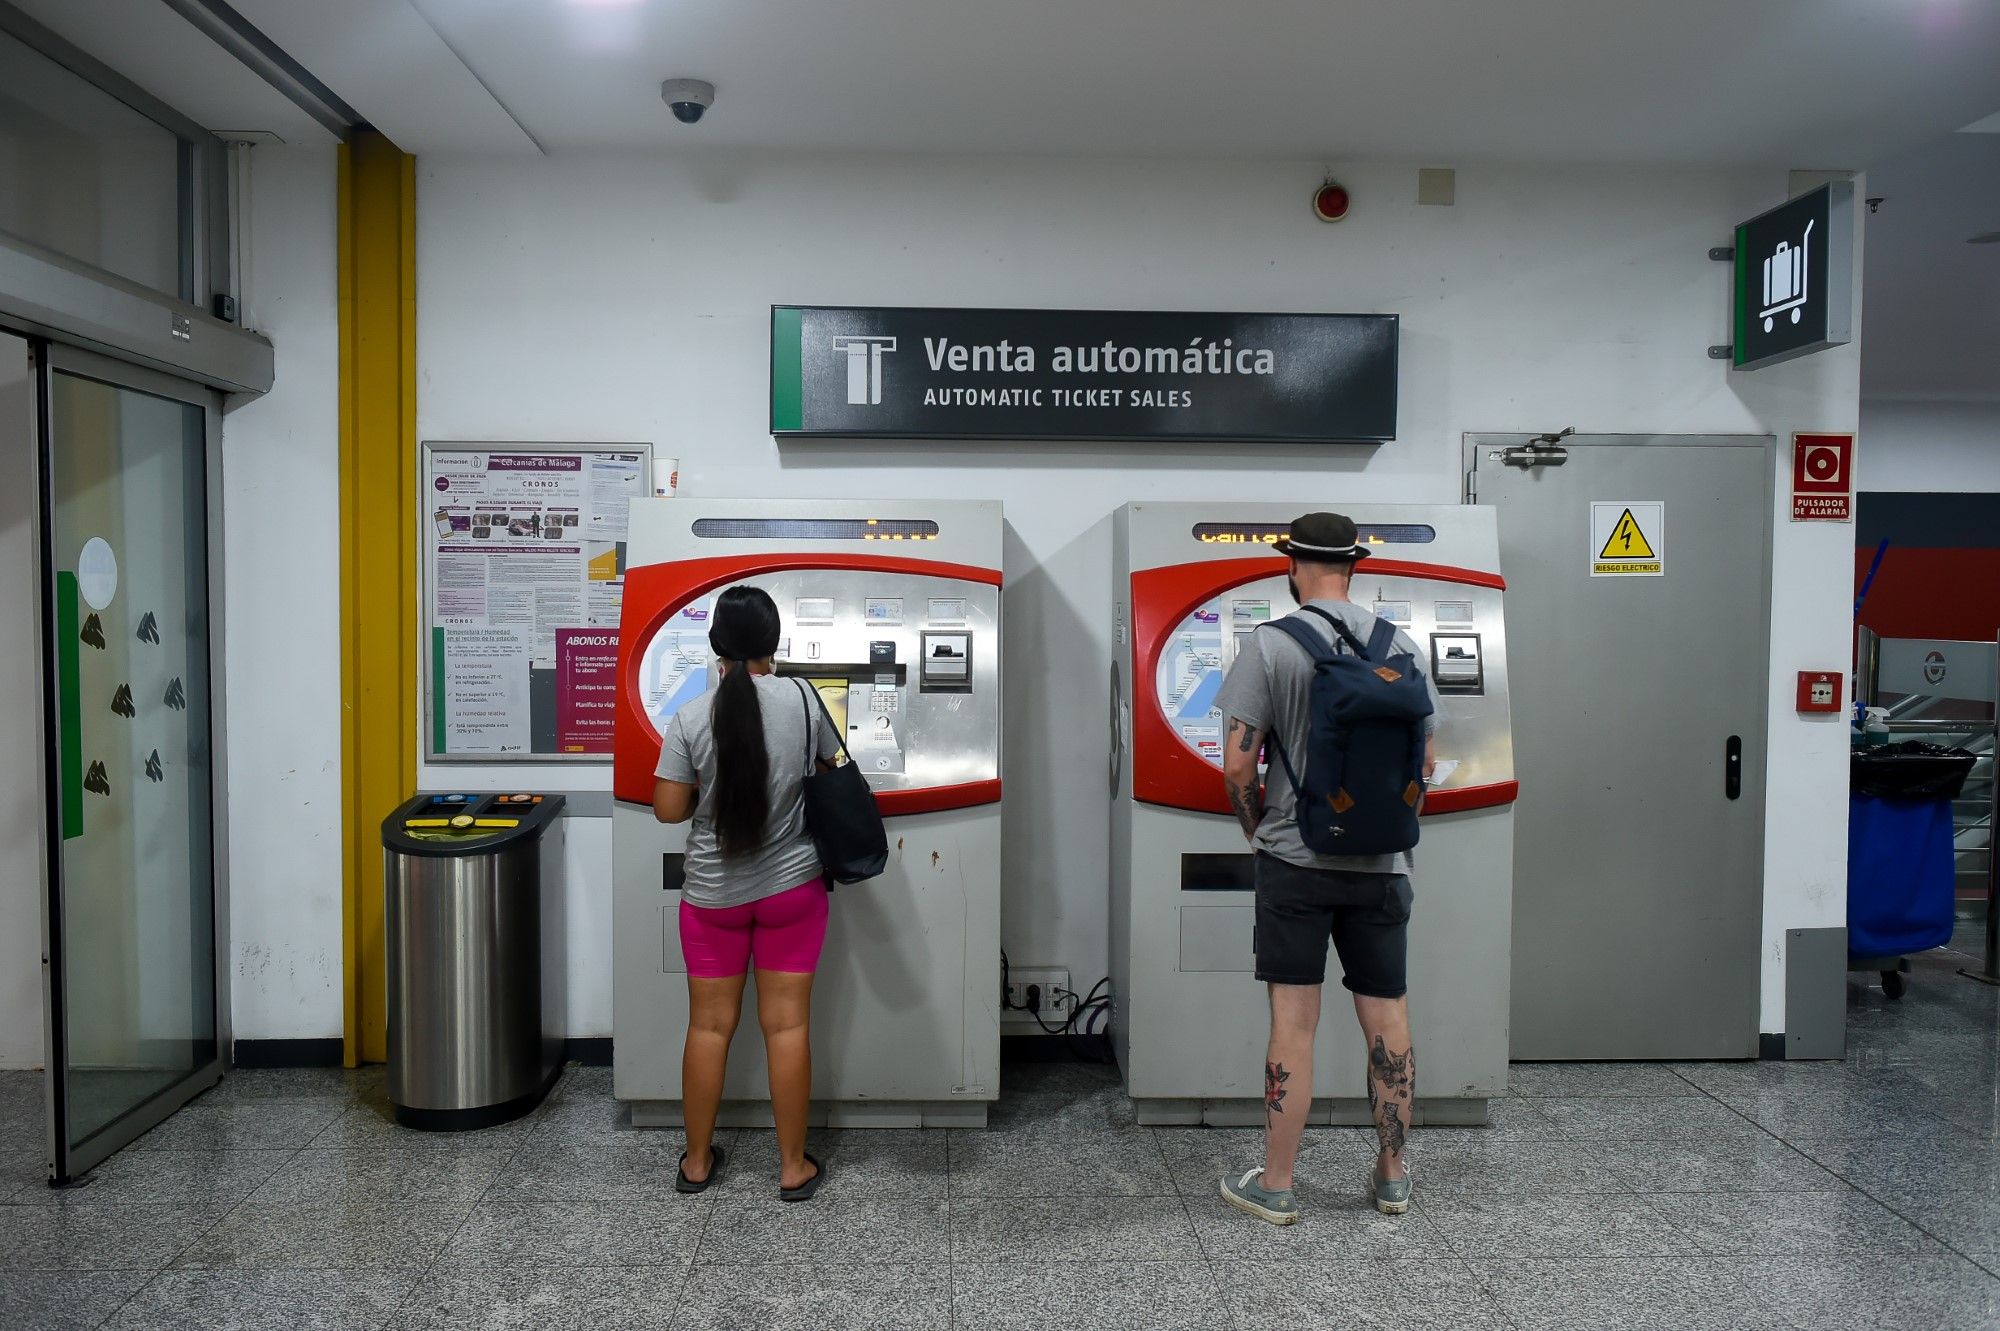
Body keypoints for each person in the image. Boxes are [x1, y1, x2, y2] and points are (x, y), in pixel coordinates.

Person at [1212, 512, 1441, 1224]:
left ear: (1292, 567)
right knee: (1388, 1018)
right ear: (1354, 567)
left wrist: (1257, 827)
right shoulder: (1399, 644)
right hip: (1383, 865)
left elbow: (1237, 763)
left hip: (1295, 860)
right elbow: (1426, 762)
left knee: (1294, 1022)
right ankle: (1394, 1174)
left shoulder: (1271, 645)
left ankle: (1277, 1183)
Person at [653, 584, 841, 1201]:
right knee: (786, 1027)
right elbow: (828, 771)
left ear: (715, 647)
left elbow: (667, 809)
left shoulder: (688, 716)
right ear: (772, 643)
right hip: (792, 890)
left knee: (708, 1028)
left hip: (712, 898)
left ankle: (699, 1162)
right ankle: (792, 1167)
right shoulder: (803, 699)